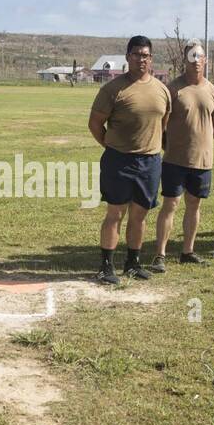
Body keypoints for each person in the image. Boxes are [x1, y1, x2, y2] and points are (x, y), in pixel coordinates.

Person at [87, 35, 171, 283]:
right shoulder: (113, 89)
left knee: (140, 215)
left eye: (145, 55)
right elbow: (94, 123)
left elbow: (163, 124)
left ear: (151, 58)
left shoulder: (162, 90)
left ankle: (133, 263)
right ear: (128, 57)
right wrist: (111, 146)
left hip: (150, 162)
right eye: (136, 54)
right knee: (115, 214)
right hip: (118, 160)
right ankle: (106, 266)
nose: (140, 59)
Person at [153, 40, 214, 270]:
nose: (196, 61)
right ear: (184, 60)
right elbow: (161, 123)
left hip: (202, 161)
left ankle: (187, 251)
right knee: (170, 204)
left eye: (200, 56)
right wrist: (169, 144)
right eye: (192, 56)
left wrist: (202, 143)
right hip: (174, 159)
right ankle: (160, 255)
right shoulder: (173, 89)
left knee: (194, 205)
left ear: (205, 60)